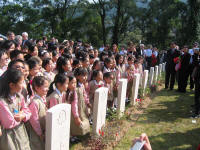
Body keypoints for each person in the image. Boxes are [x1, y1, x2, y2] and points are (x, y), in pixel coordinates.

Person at [0, 69, 31, 150]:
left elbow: (28, 111)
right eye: (21, 83)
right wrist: (22, 115)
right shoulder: (2, 101)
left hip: (21, 132)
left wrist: (23, 115)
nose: (23, 85)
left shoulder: (19, 97)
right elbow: (9, 122)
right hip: (9, 136)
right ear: (12, 85)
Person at [27, 76, 49, 150]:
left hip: (42, 130)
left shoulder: (42, 98)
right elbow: (34, 120)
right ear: (37, 88)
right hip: (36, 132)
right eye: (45, 87)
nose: (47, 89)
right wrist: (40, 133)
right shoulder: (34, 102)